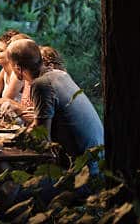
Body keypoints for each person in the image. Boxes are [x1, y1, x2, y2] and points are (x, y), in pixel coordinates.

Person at [7, 39, 104, 169]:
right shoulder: (60, 74)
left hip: (80, 172)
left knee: (9, 178)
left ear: (18, 68)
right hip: (97, 160)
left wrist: (10, 142)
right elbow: (39, 124)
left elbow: (42, 138)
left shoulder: (41, 85)